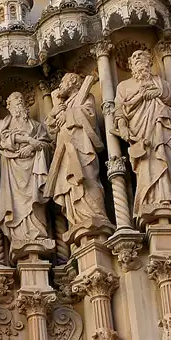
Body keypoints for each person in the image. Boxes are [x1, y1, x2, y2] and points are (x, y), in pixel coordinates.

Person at [113, 50, 171, 222]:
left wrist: (159, 95)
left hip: (164, 131)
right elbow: (118, 111)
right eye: (135, 57)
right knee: (147, 165)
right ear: (130, 65)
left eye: (142, 57)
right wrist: (123, 127)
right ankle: (149, 200)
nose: (139, 59)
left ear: (149, 62)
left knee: (166, 161)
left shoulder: (161, 83)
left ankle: (167, 198)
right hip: (141, 134)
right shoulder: (124, 86)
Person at [45, 73, 113, 243]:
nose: (61, 85)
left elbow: (89, 116)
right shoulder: (61, 105)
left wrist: (68, 116)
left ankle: (96, 216)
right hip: (66, 152)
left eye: (63, 81)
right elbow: (52, 133)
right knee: (71, 186)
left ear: (73, 82)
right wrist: (54, 116)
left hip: (82, 149)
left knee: (88, 178)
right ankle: (78, 221)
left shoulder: (85, 97)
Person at [0, 92, 51, 250]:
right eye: (15, 100)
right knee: (16, 203)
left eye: (21, 99)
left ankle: (37, 232)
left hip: (34, 169)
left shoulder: (36, 126)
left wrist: (33, 146)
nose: (19, 102)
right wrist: (27, 139)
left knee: (35, 201)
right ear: (9, 106)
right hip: (13, 171)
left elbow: (47, 145)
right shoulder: (3, 124)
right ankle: (19, 234)